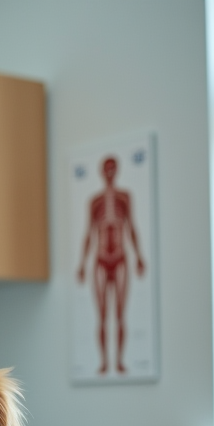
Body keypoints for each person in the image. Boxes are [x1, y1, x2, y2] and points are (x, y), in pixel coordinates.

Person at [76, 156, 147, 375]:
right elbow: (89, 232)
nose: (109, 173)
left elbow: (131, 227)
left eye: (112, 169)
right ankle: (105, 362)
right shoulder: (94, 201)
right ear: (101, 172)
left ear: (117, 171)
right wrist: (82, 263)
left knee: (119, 314)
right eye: (106, 169)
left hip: (120, 257)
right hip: (99, 260)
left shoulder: (124, 197)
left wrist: (138, 256)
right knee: (102, 315)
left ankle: (120, 361)